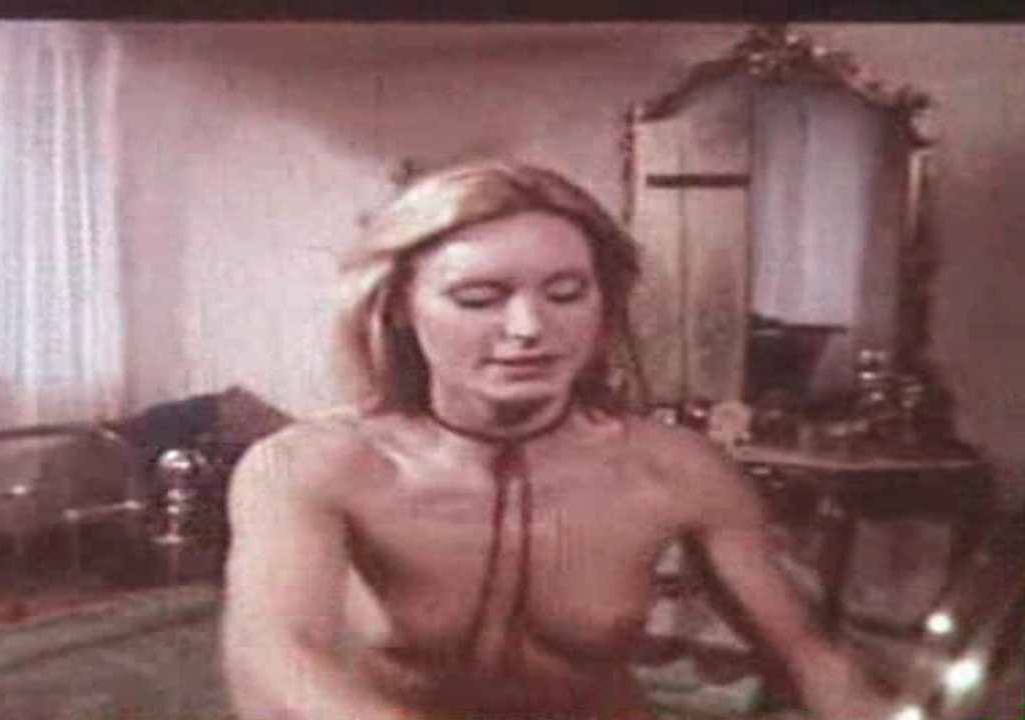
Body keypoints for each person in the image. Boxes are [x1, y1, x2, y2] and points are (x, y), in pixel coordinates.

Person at [221, 161, 895, 720]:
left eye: (566, 293)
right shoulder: (313, 465)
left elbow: (809, 657)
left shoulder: (678, 469)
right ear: (397, 305)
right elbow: (274, 657)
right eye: (479, 298)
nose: (528, 328)